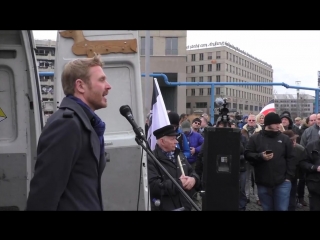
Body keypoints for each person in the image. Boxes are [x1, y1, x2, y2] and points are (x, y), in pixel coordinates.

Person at [26, 54, 112, 210]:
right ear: (80, 86)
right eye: (101, 80)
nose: (108, 86)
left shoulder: (84, 123)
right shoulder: (66, 124)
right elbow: (44, 192)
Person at [244, 112, 295, 211]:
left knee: (282, 209)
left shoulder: (284, 139)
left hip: (282, 182)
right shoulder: (256, 138)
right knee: (267, 208)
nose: (279, 125)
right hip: (263, 181)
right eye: (276, 123)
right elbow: (248, 154)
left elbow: (291, 158)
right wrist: (260, 156)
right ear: (269, 124)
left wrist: (289, 177)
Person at [147, 125, 200, 211]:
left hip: (186, 206)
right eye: (172, 139)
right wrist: (179, 183)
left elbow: (192, 172)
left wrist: (194, 179)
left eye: (176, 138)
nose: (176, 142)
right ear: (162, 141)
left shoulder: (179, 155)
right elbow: (154, 186)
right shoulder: (151, 160)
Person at [282, 130, 305, 211]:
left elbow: (303, 163)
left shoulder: (300, 149)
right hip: (279, 177)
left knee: (292, 198)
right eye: (291, 141)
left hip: (293, 177)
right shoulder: (279, 148)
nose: (294, 142)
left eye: (294, 140)